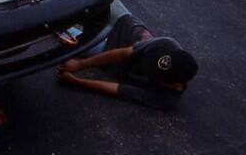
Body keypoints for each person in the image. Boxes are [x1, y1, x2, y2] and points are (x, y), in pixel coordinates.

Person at [57, 14, 198, 109]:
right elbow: (124, 53)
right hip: (127, 25)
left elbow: (117, 89)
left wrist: (75, 81)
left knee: (64, 30)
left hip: (108, 49)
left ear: (174, 84)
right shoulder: (168, 46)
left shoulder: (165, 99)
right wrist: (80, 65)